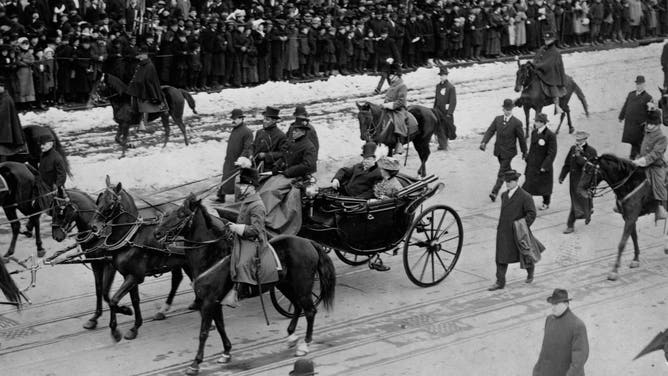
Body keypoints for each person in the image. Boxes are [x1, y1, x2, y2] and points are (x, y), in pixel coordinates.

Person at [221, 167, 279, 308]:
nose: (241, 188)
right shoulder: (247, 200)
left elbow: (256, 230)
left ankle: (241, 292)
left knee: (241, 264)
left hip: (254, 241)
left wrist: (237, 228)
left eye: (244, 185)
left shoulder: (257, 205)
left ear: (252, 187)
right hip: (242, 237)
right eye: (241, 185)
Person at [489, 169, 537, 291]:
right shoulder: (504, 195)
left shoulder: (525, 196)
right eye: (506, 182)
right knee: (500, 257)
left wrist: (521, 226)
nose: (507, 184)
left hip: (519, 232)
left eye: (510, 182)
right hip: (504, 231)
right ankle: (500, 282)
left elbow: (531, 214)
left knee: (525, 254)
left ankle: (530, 272)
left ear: (516, 181)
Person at [533, 289, 589, 376]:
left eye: (557, 304)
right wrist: (537, 370)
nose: (553, 307)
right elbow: (545, 350)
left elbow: (579, 360)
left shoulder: (577, 325)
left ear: (566, 304)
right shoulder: (549, 320)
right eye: (552, 304)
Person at [481, 98, 527, 202]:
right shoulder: (497, 119)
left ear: (512, 109)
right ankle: (515, 179)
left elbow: (521, 139)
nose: (508, 111)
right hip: (498, 151)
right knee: (507, 171)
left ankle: (494, 192)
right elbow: (490, 131)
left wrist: (525, 151)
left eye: (510, 109)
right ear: (503, 109)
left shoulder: (517, 123)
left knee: (502, 172)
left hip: (509, 152)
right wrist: (484, 142)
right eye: (506, 109)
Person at [632, 108, 667, 222]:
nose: (650, 126)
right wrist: (637, 158)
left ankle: (660, 207)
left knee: (659, 183)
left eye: (653, 124)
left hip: (656, 165)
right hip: (643, 161)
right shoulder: (646, 131)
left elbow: (655, 153)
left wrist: (643, 160)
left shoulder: (662, 137)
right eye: (649, 123)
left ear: (658, 124)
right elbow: (643, 147)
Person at [559, 131, 597, 234]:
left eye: (580, 140)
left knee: (576, 203)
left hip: (584, 182)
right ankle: (588, 211)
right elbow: (567, 163)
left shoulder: (591, 151)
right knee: (576, 201)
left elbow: (589, 166)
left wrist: (579, 156)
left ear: (585, 140)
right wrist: (562, 176)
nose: (577, 142)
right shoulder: (573, 149)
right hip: (574, 181)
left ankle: (570, 225)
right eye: (576, 140)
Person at [126, 44, 167, 132]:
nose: (139, 56)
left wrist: (139, 82)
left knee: (144, 105)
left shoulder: (149, 65)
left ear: (145, 55)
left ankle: (143, 123)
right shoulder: (141, 64)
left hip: (146, 89)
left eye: (141, 54)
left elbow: (148, 79)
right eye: (139, 54)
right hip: (139, 87)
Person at [523, 113, 558, 211]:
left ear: (543, 123)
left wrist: (545, 166)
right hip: (532, 164)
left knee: (544, 186)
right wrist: (528, 158)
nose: (535, 123)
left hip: (543, 165)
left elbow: (552, 153)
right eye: (535, 121)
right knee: (528, 185)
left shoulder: (550, 135)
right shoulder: (534, 132)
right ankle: (527, 205)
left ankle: (546, 203)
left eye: (537, 122)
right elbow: (532, 148)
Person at [217, 108, 253, 203]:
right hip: (229, 160)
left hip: (237, 162)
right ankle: (221, 195)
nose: (234, 120)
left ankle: (238, 200)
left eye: (236, 118)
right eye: (233, 118)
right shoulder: (235, 130)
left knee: (235, 182)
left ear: (242, 119)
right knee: (225, 177)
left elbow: (247, 148)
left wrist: (241, 160)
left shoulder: (247, 132)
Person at [379, 63, 415, 155]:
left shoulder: (402, 86)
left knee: (398, 121)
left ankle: (399, 142)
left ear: (397, 75)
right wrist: (384, 104)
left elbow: (401, 102)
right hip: (389, 108)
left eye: (392, 75)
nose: (390, 77)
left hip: (398, 109)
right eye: (390, 75)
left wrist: (389, 105)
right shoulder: (392, 85)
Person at [532, 31, 567, 115]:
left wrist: (538, 66)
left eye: (549, 40)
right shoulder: (542, 49)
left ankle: (556, 103)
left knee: (552, 85)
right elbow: (537, 58)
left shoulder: (555, 52)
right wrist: (533, 64)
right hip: (540, 69)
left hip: (551, 72)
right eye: (545, 40)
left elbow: (549, 63)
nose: (546, 41)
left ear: (553, 40)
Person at [619, 75, 653, 159]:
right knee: (633, 141)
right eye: (637, 84)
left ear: (644, 85)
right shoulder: (631, 94)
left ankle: (634, 157)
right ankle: (634, 157)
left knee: (638, 142)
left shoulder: (648, 97)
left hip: (640, 125)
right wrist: (621, 116)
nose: (639, 86)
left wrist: (648, 123)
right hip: (630, 124)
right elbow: (625, 105)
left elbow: (651, 112)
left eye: (641, 84)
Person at [253, 106, 289, 172]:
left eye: (267, 119)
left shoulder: (281, 135)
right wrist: (250, 155)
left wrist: (266, 155)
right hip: (256, 167)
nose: (264, 121)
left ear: (274, 121)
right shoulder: (259, 132)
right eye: (264, 119)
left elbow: (283, 154)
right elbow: (254, 146)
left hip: (270, 169)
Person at [0, 77, 26, 158]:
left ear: (2, 87)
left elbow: (2, 117)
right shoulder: (2, 97)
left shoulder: (5, 99)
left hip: (6, 133)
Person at [433, 66, 457, 151]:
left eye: (443, 75)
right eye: (440, 75)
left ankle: (444, 144)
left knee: (446, 128)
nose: (441, 77)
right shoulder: (438, 86)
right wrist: (434, 109)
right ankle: (442, 144)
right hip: (438, 110)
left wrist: (450, 112)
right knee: (439, 128)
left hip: (446, 111)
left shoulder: (451, 87)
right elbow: (436, 99)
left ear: (446, 76)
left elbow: (453, 101)